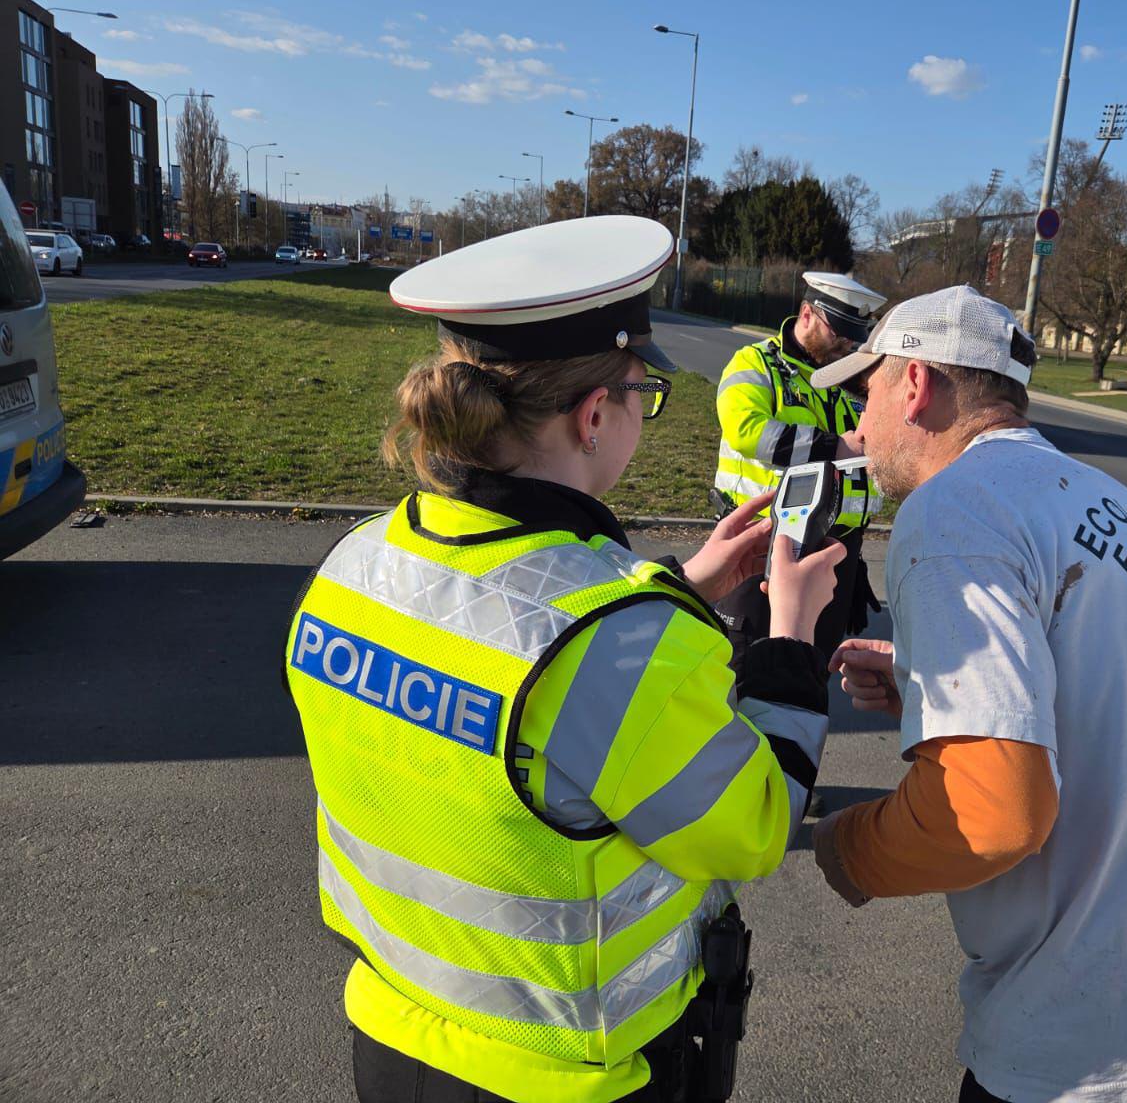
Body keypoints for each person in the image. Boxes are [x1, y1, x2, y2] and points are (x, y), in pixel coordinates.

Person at [283, 215, 846, 1103]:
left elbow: (505, 631)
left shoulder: (353, 566)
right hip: (570, 1077)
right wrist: (788, 635)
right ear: (594, 415)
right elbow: (757, 825)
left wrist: (678, 590)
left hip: (392, 1035)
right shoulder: (619, 644)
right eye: (641, 394)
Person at [806, 286, 1127, 1103]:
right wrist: (934, 694)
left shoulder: (951, 510)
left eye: (868, 390)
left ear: (917, 385)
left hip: (1099, 1043)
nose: (860, 424)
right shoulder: (1107, 497)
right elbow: (1126, 693)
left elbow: (988, 815)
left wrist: (848, 846)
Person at [712, 270, 888, 680]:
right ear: (807, 314)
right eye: (839, 331)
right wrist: (833, 447)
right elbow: (747, 431)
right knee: (741, 670)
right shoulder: (755, 363)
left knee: (809, 674)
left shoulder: (847, 376)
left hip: (837, 553)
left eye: (854, 334)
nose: (848, 343)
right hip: (763, 547)